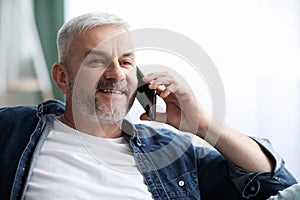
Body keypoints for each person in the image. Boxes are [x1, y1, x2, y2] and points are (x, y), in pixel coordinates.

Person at [0, 12, 297, 200]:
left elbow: (274, 184)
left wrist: (203, 125)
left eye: (126, 62)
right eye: (97, 60)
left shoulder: (168, 150)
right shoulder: (12, 130)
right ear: (63, 78)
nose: (116, 73)